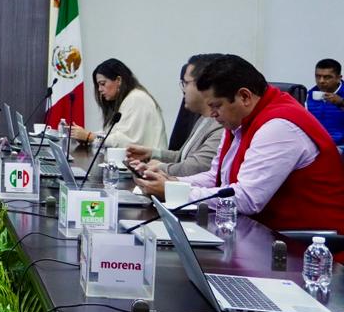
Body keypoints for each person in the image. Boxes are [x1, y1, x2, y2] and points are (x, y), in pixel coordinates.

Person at [135, 55, 344, 234]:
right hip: (260, 237)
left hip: (307, 251)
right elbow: (216, 177)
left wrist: (173, 192)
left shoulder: (279, 126)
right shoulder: (239, 121)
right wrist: (173, 182)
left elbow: (247, 199)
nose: (212, 114)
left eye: (216, 106)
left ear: (244, 96)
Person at [126, 54, 225, 177]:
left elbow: (197, 166)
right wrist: (152, 153)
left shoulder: (220, 123)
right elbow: (183, 156)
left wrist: (158, 167)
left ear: (204, 85)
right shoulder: (203, 118)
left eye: (186, 83)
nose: (183, 90)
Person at [69, 58, 166, 149]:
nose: (99, 89)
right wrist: (86, 136)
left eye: (102, 84)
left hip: (151, 161)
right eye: (98, 85)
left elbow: (126, 141)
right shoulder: (127, 99)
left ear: (119, 80)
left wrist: (90, 137)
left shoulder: (136, 98)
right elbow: (112, 133)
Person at [308, 57, 344, 145]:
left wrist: (341, 102)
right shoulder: (308, 95)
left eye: (327, 77)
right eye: (318, 76)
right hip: (316, 145)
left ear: (339, 78)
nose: (321, 81)